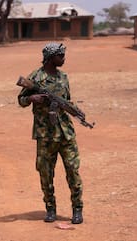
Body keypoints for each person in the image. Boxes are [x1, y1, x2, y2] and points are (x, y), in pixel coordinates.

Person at [17, 42, 84, 224]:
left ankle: (77, 209)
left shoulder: (64, 77)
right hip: (45, 135)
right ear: (50, 58)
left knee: (73, 171)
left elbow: (67, 101)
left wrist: (75, 111)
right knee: (46, 173)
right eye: (60, 55)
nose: (63, 58)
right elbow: (21, 100)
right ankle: (50, 209)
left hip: (65, 133)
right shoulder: (36, 77)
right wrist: (32, 98)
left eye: (63, 55)